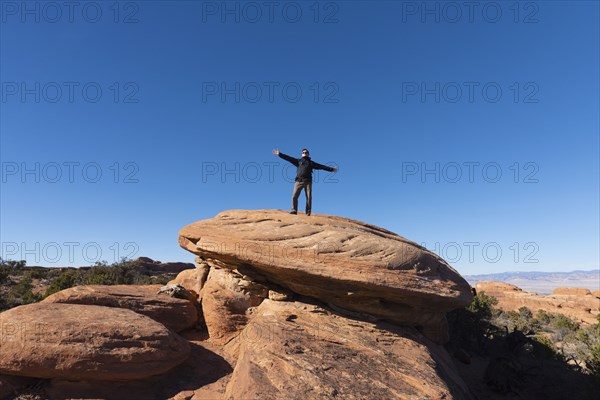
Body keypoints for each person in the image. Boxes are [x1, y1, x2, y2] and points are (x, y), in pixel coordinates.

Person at [272, 148, 337, 216]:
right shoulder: (298, 161)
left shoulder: (311, 163)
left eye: (306, 152)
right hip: (298, 181)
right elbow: (289, 158)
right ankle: (294, 210)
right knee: (294, 196)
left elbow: (321, 166)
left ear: (308, 154)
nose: (304, 153)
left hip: (308, 182)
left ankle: (308, 212)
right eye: (303, 152)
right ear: (301, 154)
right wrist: (279, 154)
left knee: (308, 197)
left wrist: (331, 169)